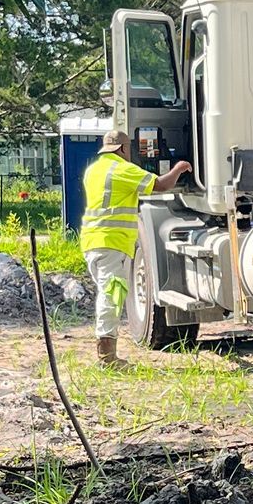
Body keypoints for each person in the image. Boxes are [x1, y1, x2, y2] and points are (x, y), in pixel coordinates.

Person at [78, 131, 194, 364]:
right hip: (111, 242)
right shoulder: (122, 169)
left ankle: (107, 352)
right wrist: (179, 168)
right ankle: (107, 357)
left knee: (109, 293)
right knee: (111, 295)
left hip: (92, 241)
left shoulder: (93, 170)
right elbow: (160, 185)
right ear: (122, 149)